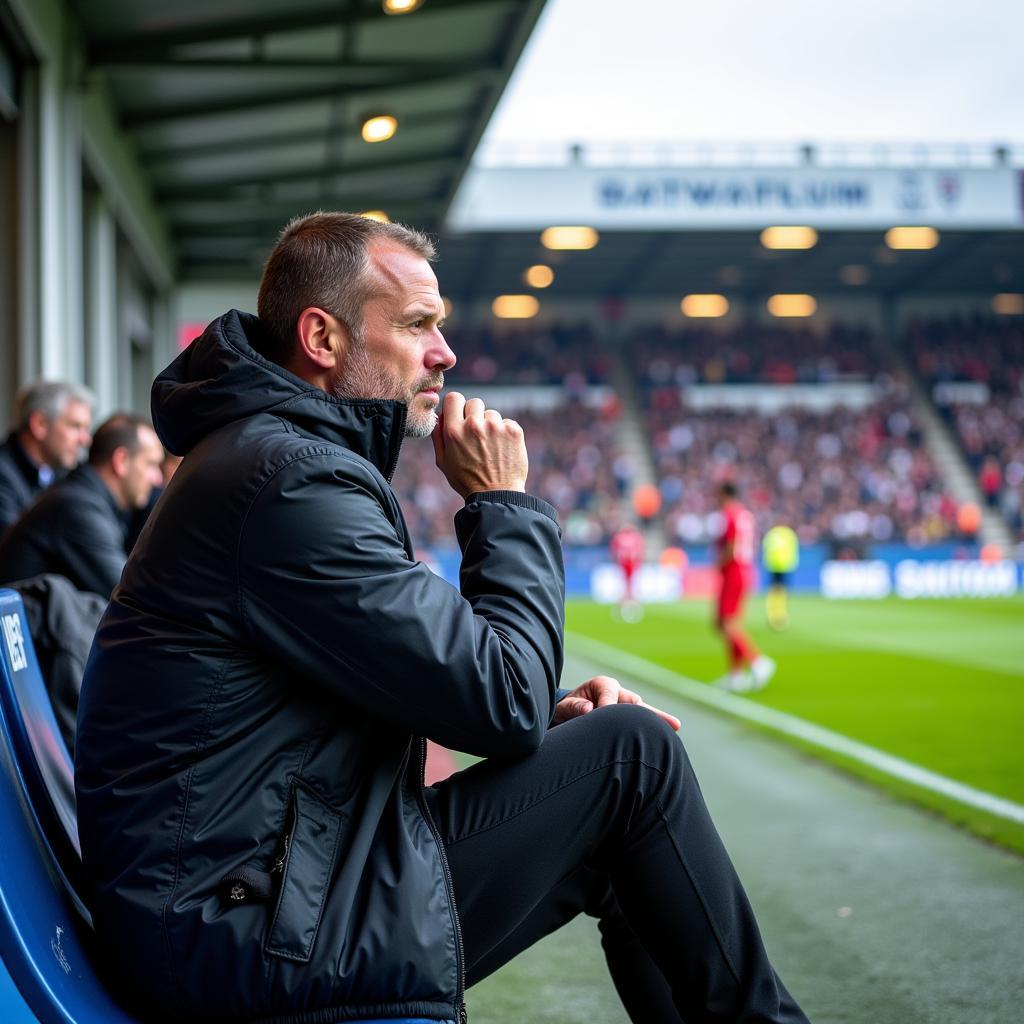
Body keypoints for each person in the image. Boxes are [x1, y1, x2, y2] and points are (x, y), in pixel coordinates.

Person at [75, 213, 809, 1024]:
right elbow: (500, 704)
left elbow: (448, 687)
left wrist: (547, 714)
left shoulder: (277, 458)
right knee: (632, 762)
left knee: (609, 778)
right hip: (244, 931)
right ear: (322, 336)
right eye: (419, 324)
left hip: (259, 894)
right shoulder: (287, 481)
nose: (445, 353)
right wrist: (505, 505)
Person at [0, 414, 164, 597]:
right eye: (151, 464)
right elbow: (134, 596)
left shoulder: (87, 498)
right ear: (121, 461)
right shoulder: (79, 507)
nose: (157, 479)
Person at [0, 380, 94, 536]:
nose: (85, 440)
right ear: (40, 424)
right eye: (75, 426)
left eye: (86, 429)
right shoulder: (3, 476)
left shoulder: (67, 474)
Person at [713, 481, 776, 692]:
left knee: (726, 623)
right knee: (727, 623)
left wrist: (719, 564)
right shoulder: (745, 515)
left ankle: (758, 662)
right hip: (744, 569)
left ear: (724, 493)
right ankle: (736, 675)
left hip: (733, 571)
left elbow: (731, 546)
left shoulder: (730, 515)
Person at [762, 521, 800, 631]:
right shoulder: (789, 534)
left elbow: (766, 549)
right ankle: (780, 614)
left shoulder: (771, 534)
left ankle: (773, 613)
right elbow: (793, 549)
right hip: (785, 566)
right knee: (782, 591)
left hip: (773, 566)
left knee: (774, 591)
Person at [609, 520, 645, 621]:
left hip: (629, 564)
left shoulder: (627, 537)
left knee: (629, 587)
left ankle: (626, 607)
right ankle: (628, 606)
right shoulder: (628, 537)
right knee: (628, 587)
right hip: (627, 564)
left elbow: (639, 551)